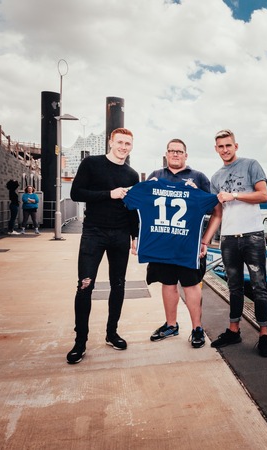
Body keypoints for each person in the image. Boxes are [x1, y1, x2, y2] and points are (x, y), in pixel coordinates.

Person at [131, 139, 219, 348]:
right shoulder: (156, 176)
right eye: (172, 151)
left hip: (188, 246)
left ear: (186, 155)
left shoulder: (198, 177)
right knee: (168, 283)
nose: (175, 154)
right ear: (166, 154)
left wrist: (205, 240)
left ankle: (197, 328)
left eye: (179, 151)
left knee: (191, 285)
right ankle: (171, 325)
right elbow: (139, 206)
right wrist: (136, 237)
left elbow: (215, 210)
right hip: (162, 246)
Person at [66, 127, 140, 364]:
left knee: (118, 285)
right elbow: (76, 193)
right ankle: (80, 342)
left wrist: (135, 235)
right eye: (120, 142)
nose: (123, 147)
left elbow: (132, 208)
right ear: (111, 142)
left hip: (120, 234)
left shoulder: (132, 175)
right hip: (94, 232)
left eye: (127, 144)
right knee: (85, 285)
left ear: (131, 146)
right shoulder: (92, 164)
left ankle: (111, 333)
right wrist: (110, 194)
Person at [201, 129, 267, 357]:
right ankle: (234, 331)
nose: (225, 150)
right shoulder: (215, 178)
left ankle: (264, 335)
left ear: (236, 146)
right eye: (221, 146)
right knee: (234, 286)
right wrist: (205, 241)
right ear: (216, 149)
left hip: (253, 236)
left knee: (259, 286)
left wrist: (234, 195)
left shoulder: (251, 165)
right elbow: (218, 214)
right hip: (229, 238)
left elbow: (263, 196)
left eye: (228, 145)